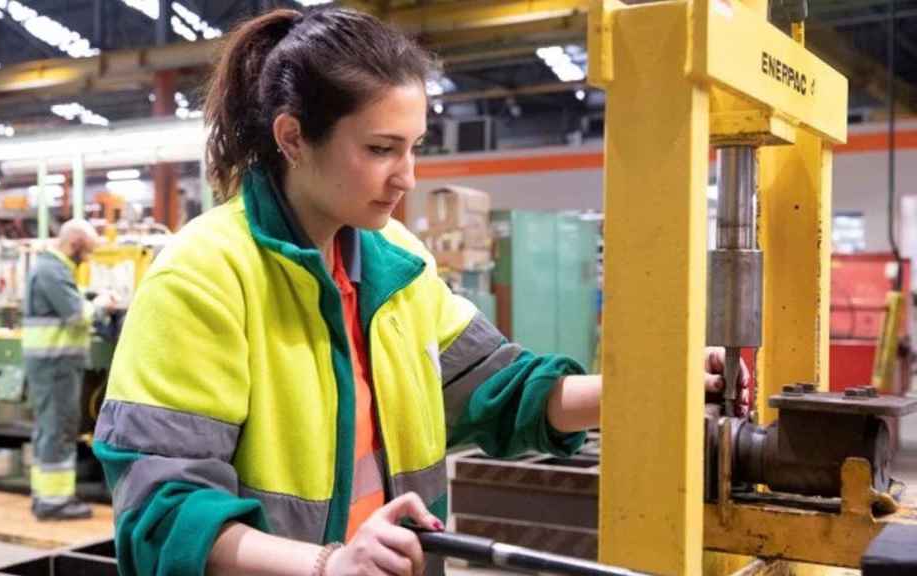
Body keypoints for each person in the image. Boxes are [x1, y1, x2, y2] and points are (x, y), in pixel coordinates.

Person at [92, 8, 745, 575]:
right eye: (381, 148)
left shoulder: (397, 263)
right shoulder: (204, 276)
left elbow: (503, 395)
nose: (407, 176)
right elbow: (161, 510)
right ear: (293, 138)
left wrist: (660, 389)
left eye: (414, 147)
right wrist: (327, 564)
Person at [23, 219, 116, 520]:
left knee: (50, 429)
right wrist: (100, 304)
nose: (87, 258)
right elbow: (75, 316)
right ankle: (54, 502)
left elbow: (69, 302)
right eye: (86, 251)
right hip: (55, 365)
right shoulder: (51, 269)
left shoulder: (55, 268)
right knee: (59, 429)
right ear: (74, 243)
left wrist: (88, 294)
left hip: (55, 364)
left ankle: (46, 496)